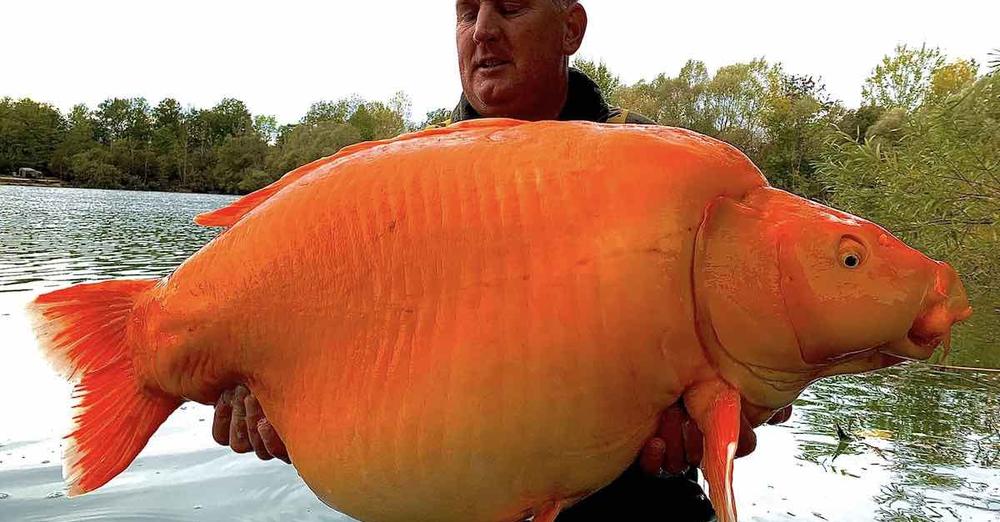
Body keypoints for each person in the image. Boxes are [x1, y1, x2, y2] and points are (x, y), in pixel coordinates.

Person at [212, 1, 791, 519]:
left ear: (571, 27)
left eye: (511, 7)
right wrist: (270, 399)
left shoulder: (670, 173)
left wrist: (751, 402)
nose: (483, 30)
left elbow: (773, 342)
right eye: (467, 12)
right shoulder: (402, 184)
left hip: (634, 508)